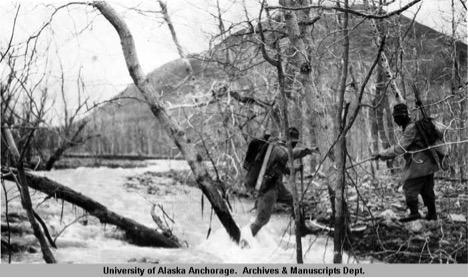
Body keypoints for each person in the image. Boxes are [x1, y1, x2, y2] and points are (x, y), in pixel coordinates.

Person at [372, 103, 440, 222]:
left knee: (409, 186)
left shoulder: (410, 128)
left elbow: (400, 149)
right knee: (427, 189)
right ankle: (432, 215)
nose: (395, 120)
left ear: (402, 117)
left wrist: (382, 154)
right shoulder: (412, 125)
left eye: (396, 118)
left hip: (420, 163)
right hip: (429, 162)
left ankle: (414, 213)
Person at [248, 127, 319, 237]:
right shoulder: (277, 148)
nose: (295, 145)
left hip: (276, 185)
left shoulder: (280, 148)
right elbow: (288, 155)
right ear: (288, 140)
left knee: (294, 201)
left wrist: (294, 169)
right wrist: (307, 151)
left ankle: (301, 229)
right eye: (294, 143)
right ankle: (245, 240)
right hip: (267, 188)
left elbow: (279, 168)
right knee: (262, 219)